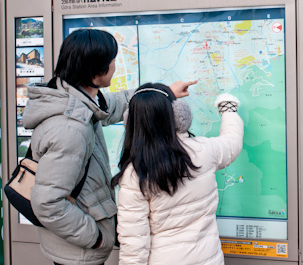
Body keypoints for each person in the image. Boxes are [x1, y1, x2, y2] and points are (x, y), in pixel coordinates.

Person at [22, 29, 196, 265]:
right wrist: (97, 238)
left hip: (75, 245)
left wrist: (163, 93)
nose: (115, 64)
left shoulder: (73, 96)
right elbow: (47, 204)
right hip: (78, 254)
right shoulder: (70, 129)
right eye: (112, 60)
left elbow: (112, 105)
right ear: (97, 72)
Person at [113, 83, 244, 265]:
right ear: (178, 115)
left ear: (131, 122)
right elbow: (232, 142)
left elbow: (134, 245)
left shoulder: (135, 174)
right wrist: (228, 110)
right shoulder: (204, 150)